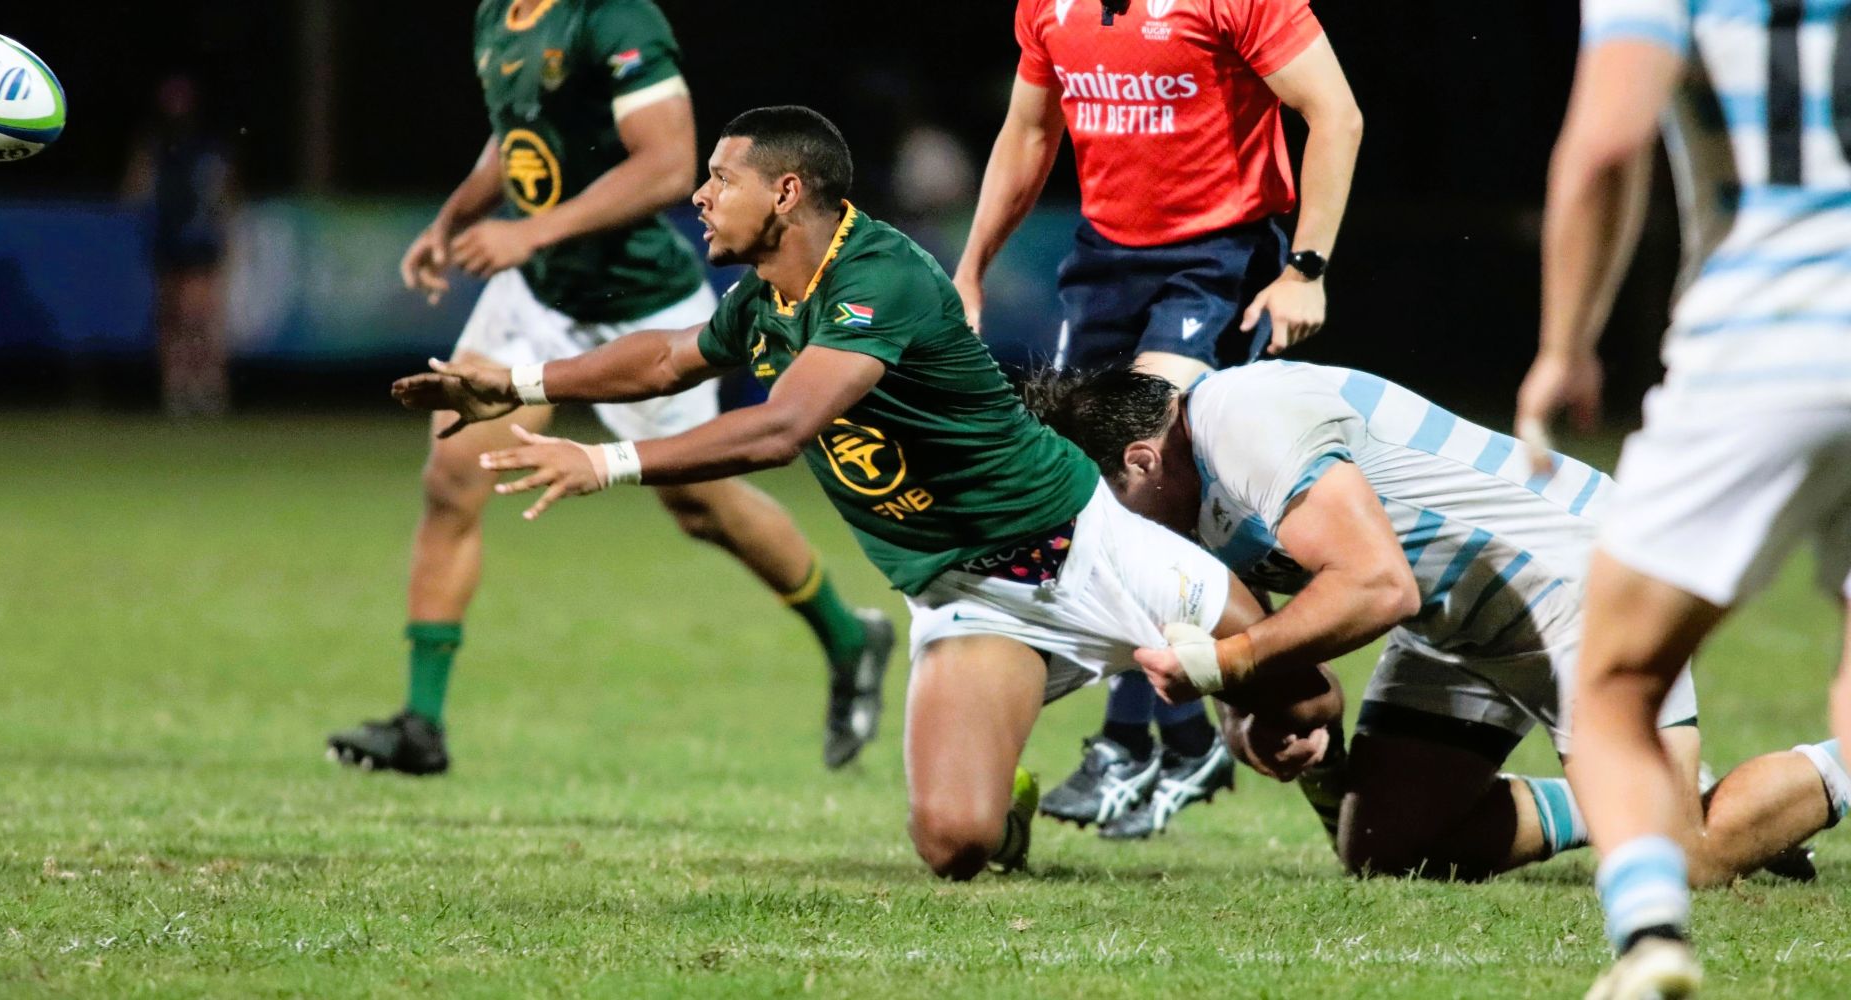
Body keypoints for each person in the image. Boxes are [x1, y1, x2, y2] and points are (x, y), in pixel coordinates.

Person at [389, 105, 1341, 879]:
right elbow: (668, 359)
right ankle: (1003, 800)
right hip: (968, 595)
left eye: (721, 178)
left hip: (1086, 548)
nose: (700, 195)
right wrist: (518, 384)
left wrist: (607, 463)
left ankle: (1334, 781)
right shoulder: (767, 297)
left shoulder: (879, 275)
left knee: (1306, 702)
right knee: (955, 844)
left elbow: (781, 429)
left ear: (786, 191)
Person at [326, 0, 892, 776]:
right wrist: (453, 219)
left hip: (640, 303)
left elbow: (667, 164)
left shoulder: (614, 16)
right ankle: (421, 726)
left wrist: (531, 229)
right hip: (539, 293)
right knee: (453, 477)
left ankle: (849, 636)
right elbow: (517, 135)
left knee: (700, 504)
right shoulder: (498, 14)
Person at [1027, 362, 1844, 884]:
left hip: (1576, 579)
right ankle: (1625, 797)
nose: (1115, 530)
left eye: (1108, 505)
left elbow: (1377, 588)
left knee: (1679, 861)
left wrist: (1231, 663)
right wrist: (1248, 711)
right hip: (1463, 621)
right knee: (1388, 846)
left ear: (1140, 459)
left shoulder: (1243, 418)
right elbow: (1286, 645)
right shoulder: (1186, 482)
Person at [951, 0, 1362, 837]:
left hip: (1219, 259)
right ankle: (1220, 740)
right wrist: (970, 269)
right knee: (1077, 498)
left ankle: (1142, 738)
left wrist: (1306, 267)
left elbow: (1335, 113)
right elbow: (1029, 131)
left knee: (1141, 484)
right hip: (1103, 263)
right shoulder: (1048, 7)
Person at [1515, 0, 1851, 994]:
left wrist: (1564, 344)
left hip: (1764, 336)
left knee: (1615, 681)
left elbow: (1607, 143)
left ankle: (1650, 935)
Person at [121, 74, 236, 419]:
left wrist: (225, 232)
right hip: (168, 241)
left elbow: (226, 193)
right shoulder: (155, 147)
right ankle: (176, 391)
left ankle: (210, 390)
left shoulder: (207, 147)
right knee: (172, 319)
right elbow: (134, 192)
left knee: (200, 319)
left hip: (200, 241)